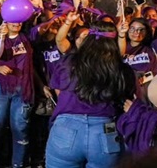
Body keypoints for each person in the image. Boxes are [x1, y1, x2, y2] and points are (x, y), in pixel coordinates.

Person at [46, 18, 134, 168]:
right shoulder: (121, 69)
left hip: (66, 128)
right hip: (105, 130)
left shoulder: (69, 62)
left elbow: (58, 89)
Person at [0, 20, 34, 168]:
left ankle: (17, 164)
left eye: (19, 20)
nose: (16, 23)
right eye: (12, 20)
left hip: (23, 89)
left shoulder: (27, 38)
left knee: (20, 129)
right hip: (1, 88)